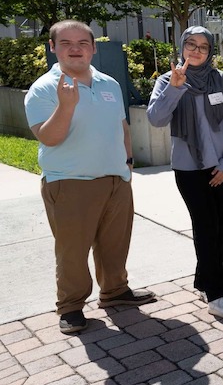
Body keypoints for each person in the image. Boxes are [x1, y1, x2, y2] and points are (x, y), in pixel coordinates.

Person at [24, 20, 155, 334]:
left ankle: (115, 291)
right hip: (70, 183)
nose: (75, 49)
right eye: (66, 43)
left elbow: (122, 127)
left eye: (83, 42)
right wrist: (66, 107)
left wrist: (127, 165)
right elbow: (48, 137)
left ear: (93, 48)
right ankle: (70, 307)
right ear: (53, 47)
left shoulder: (109, 83)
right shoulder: (44, 88)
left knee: (115, 244)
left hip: (115, 180)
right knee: (73, 250)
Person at [147, 26, 223, 319]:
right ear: (181, 46)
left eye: (203, 46)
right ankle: (218, 295)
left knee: (219, 228)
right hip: (189, 169)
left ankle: (203, 280)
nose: (196, 51)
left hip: (221, 167)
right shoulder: (169, 80)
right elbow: (155, 119)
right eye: (191, 44)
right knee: (206, 229)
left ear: (211, 50)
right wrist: (175, 88)